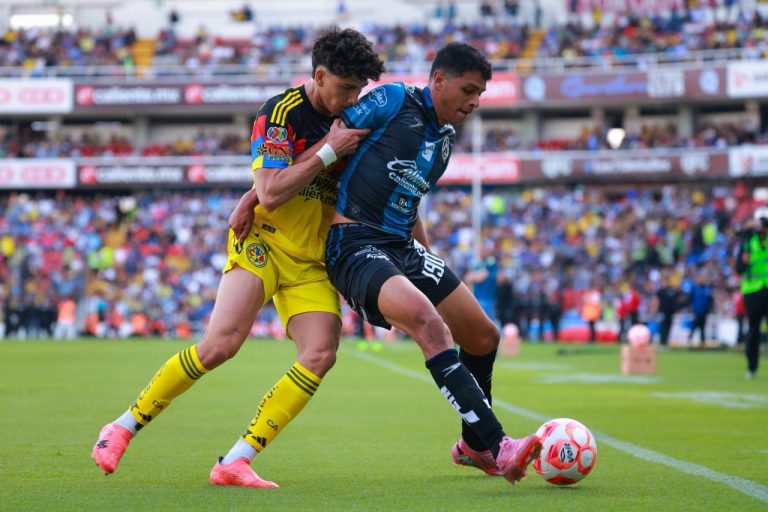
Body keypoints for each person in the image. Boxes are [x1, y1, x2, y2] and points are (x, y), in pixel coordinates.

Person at [91, 27, 385, 488]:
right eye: (346, 88)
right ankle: (123, 426)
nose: (352, 99)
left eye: (358, 90)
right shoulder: (281, 113)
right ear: (320, 76)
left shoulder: (355, 116)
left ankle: (236, 460)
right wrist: (327, 152)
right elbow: (271, 191)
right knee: (220, 346)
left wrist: (256, 192)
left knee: (321, 353)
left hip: (311, 261)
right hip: (263, 242)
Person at [325, 42, 542, 485]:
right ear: (439, 79)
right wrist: (257, 195)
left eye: (480, 94)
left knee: (483, 336)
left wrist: (427, 257)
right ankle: (500, 446)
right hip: (355, 244)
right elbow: (330, 143)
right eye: (469, 90)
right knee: (429, 324)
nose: (475, 102)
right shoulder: (392, 100)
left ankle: (473, 446)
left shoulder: (445, 142)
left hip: (402, 247)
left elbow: (409, 202)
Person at [736, 206, 768, 379]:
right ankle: (752, 367)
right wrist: (745, 261)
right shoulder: (747, 241)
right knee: (754, 329)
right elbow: (738, 268)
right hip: (752, 290)